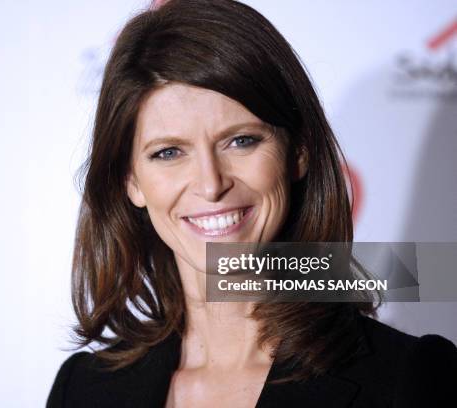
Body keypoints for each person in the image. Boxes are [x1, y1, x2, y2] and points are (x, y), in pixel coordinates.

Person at [46, 0, 457, 406]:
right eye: (169, 152)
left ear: (298, 152)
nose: (211, 184)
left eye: (241, 140)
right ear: (131, 181)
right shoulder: (83, 390)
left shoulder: (409, 378)